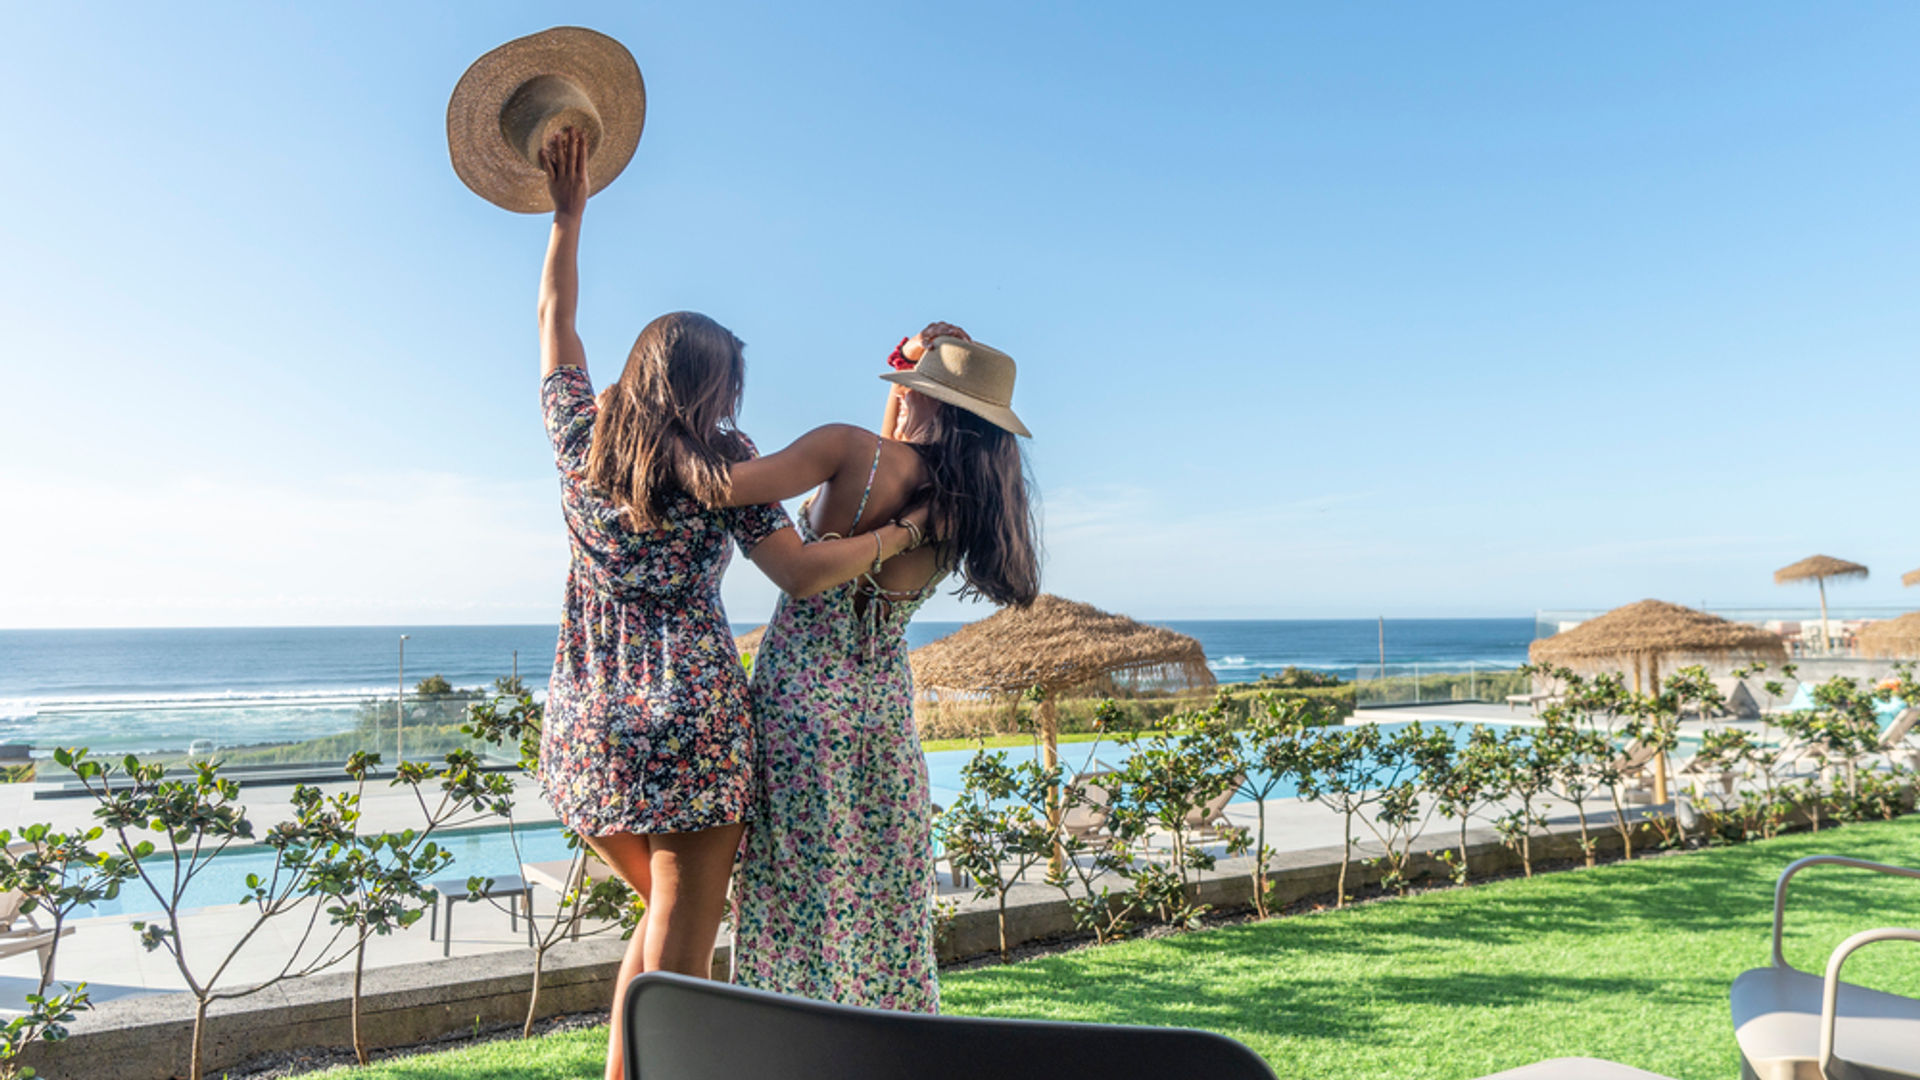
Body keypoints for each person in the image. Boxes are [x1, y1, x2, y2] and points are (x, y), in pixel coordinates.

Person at [531, 128, 926, 1080]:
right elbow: (798, 570)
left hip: (587, 718)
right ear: (717, 390)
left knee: (661, 916)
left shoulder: (579, 435)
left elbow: (555, 312)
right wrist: (901, 535)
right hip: (694, 721)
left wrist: (567, 217)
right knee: (684, 938)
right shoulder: (727, 464)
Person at [721, 321, 1041, 1011]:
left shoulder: (854, 455)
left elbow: (730, 487)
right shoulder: (965, 503)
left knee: (796, 896)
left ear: (927, 397)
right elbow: (891, 456)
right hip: (884, 715)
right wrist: (912, 366)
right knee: (880, 904)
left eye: (910, 381)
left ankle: (785, 1041)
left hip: (803, 703)